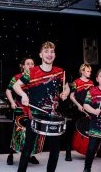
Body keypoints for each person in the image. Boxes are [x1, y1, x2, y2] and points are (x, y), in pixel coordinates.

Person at [13, 41, 70, 172]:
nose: (49, 54)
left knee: (55, 151)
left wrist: (65, 93)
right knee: (27, 149)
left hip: (52, 115)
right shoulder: (31, 72)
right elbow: (16, 86)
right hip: (34, 115)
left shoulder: (60, 72)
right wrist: (23, 95)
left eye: (52, 52)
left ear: (54, 54)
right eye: (46, 52)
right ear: (40, 54)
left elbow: (66, 87)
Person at [65, 63, 101, 161]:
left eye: (90, 71)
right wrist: (79, 105)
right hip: (78, 108)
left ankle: (99, 150)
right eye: (88, 71)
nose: (90, 73)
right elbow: (71, 96)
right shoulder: (76, 82)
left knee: (97, 128)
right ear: (82, 71)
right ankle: (68, 153)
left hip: (88, 109)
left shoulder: (91, 82)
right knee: (71, 130)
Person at [6, 57, 40, 165]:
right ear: (23, 66)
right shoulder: (16, 77)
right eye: (28, 63)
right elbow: (8, 91)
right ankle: (10, 154)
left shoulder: (37, 78)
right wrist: (12, 102)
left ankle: (30, 155)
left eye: (32, 63)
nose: (30, 65)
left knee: (32, 132)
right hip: (20, 109)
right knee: (16, 132)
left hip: (33, 109)